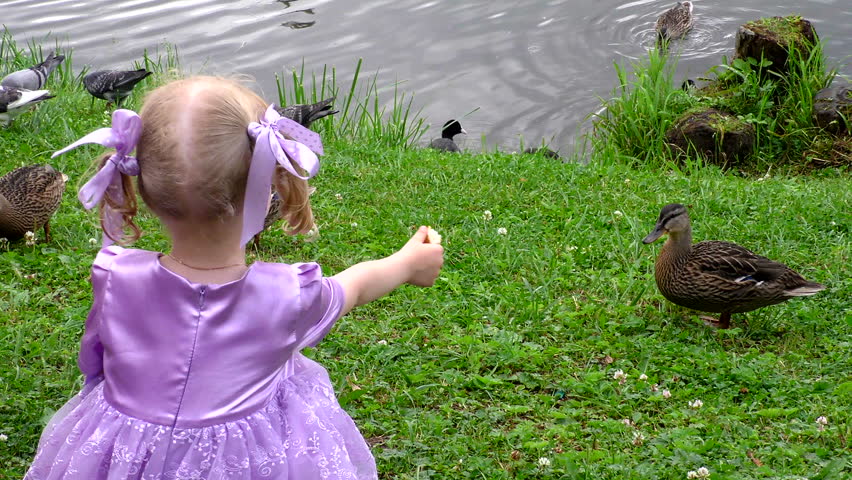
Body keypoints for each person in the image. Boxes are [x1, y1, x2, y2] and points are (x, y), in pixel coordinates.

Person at [25, 76, 444, 479]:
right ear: (270, 186)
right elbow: (355, 286)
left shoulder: (114, 272)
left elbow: (94, 361)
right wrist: (407, 263)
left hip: (125, 451)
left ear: (146, 191)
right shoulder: (288, 292)